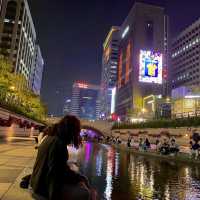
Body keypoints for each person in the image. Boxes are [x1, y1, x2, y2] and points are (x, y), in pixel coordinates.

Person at [30, 115, 95, 200]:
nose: (76, 136)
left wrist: (77, 177)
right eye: (76, 132)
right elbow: (56, 173)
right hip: (42, 189)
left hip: (36, 183)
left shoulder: (51, 137)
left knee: (81, 179)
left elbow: (58, 167)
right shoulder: (58, 143)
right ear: (71, 131)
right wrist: (78, 178)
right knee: (85, 193)